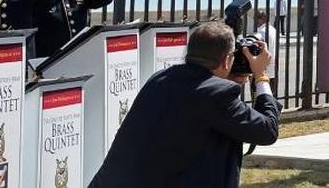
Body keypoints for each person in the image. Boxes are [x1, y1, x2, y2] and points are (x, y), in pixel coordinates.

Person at [88, 21, 279, 188]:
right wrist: (261, 76)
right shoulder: (217, 94)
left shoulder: (161, 78)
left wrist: (226, 78)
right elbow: (267, 130)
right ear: (227, 60)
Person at [252, 9, 277, 92]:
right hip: (272, 69)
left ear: (264, 19)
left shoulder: (261, 32)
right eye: (254, 18)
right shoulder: (273, 30)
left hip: (262, 71)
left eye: (257, 18)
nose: (255, 21)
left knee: (258, 97)